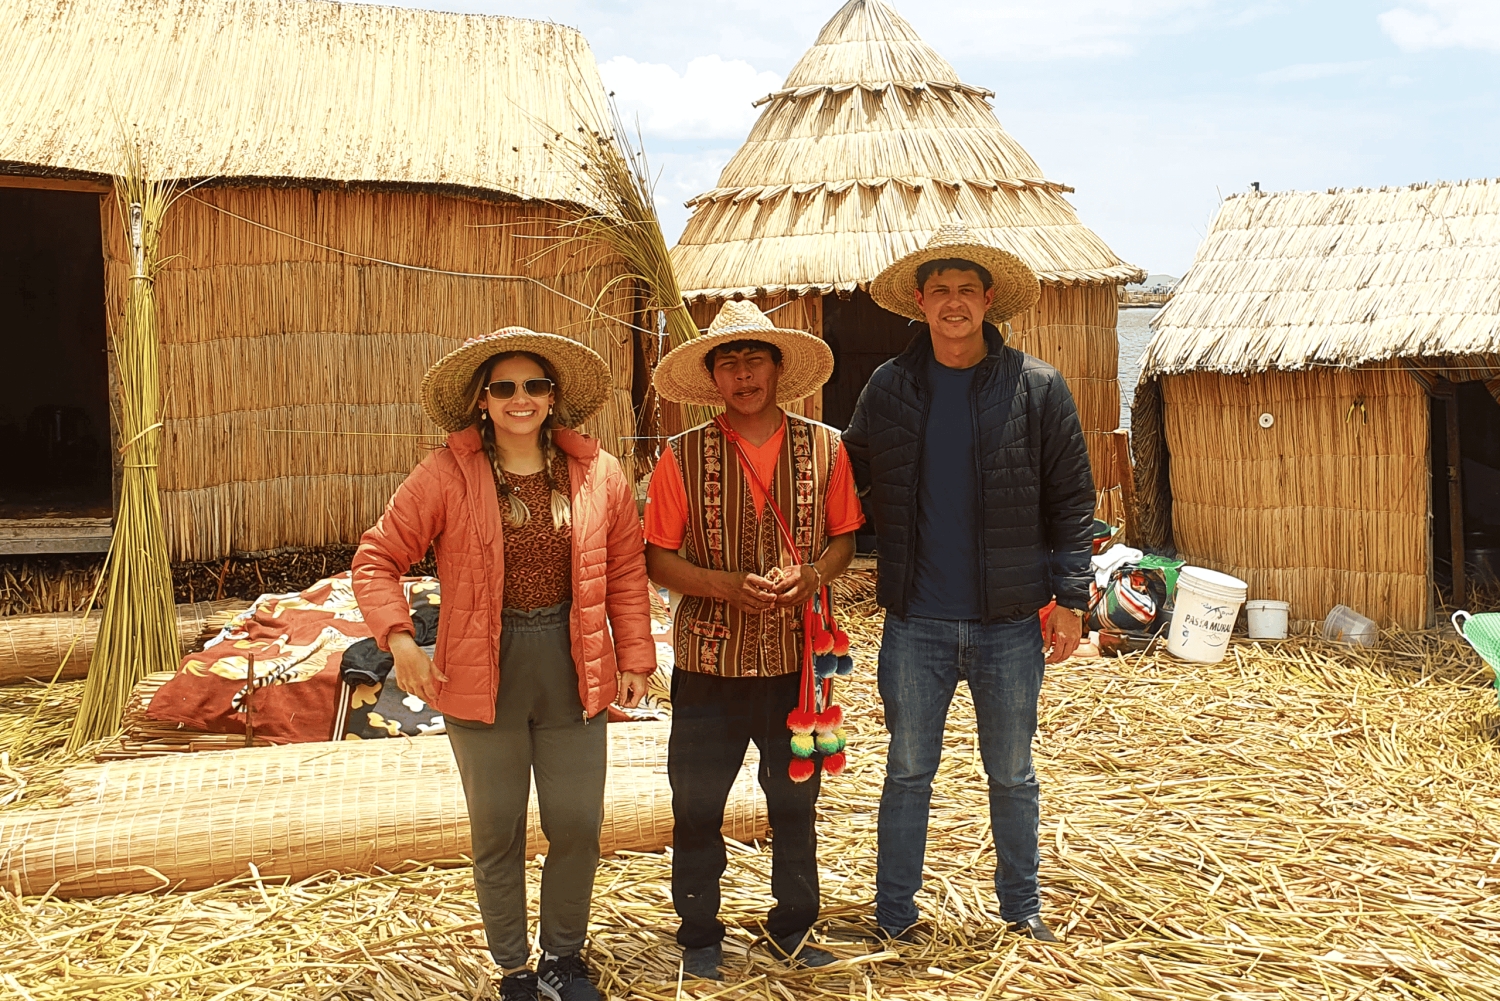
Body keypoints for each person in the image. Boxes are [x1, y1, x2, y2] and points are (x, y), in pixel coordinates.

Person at [352, 328, 655, 1001]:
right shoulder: (446, 473)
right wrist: (400, 640)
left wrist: (636, 654)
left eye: (535, 385)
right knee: (498, 828)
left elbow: (627, 571)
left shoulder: (598, 473)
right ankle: (515, 969)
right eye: (505, 387)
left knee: (577, 823)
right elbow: (377, 558)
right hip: (482, 666)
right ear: (482, 401)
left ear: (553, 397)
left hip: (573, 663)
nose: (522, 398)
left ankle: (563, 959)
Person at [846, 223, 1095, 944]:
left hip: (1008, 623)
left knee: (1012, 774)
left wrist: (1071, 600)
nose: (953, 303)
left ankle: (1021, 910)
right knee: (907, 771)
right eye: (940, 291)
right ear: (919, 302)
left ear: (988, 301)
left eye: (966, 290)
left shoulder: (1036, 387)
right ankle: (895, 915)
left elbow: (1072, 500)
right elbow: (846, 477)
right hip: (916, 620)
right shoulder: (889, 387)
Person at [644, 300, 865, 980]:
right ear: (713, 378)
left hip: (798, 666)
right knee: (697, 804)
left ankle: (793, 928)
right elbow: (657, 559)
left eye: (754, 360)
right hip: (708, 662)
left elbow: (843, 541)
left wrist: (813, 574)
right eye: (729, 363)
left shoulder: (826, 448)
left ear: (776, 369)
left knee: (796, 803)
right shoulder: (681, 456)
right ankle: (699, 933)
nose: (742, 374)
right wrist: (721, 585)